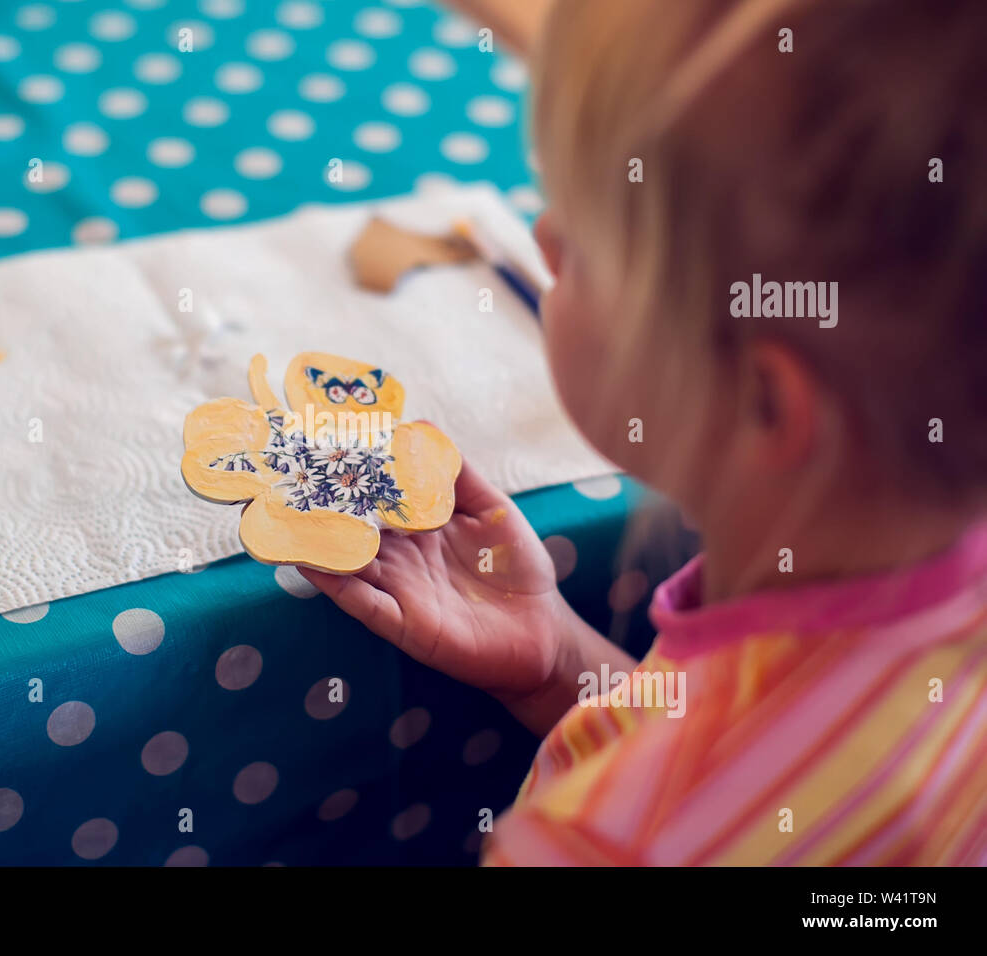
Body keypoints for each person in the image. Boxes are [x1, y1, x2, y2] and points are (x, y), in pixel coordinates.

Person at [300, 0, 987, 864]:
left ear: (765, 405)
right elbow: (773, 762)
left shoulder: (598, 842)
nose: (542, 239)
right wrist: (562, 666)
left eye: (586, 239)